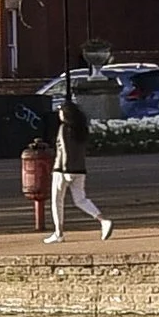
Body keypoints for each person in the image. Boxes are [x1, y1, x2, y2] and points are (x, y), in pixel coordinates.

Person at [48, 85, 113, 243]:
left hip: (63, 169)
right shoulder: (82, 129)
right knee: (80, 199)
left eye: (61, 112)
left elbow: (65, 149)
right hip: (80, 168)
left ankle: (59, 232)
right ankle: (103, 220)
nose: (59, 115)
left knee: (57, 201)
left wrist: (65, 169)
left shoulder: (64, 128)